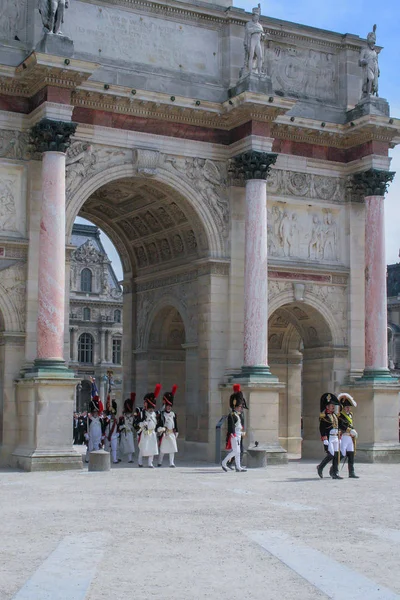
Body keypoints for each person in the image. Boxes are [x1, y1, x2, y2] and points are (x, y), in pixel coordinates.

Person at [222, 384, 247, 472]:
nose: (241, 408)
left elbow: (239, 424)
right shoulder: (232, 415)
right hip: (234, 434)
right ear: (236, 406)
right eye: (240, 406)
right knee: (235, 451)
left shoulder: (237, 414)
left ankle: (238, 467)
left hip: (239, 434)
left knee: (238, 452)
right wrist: (232, 434)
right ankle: (224, 463)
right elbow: (231, 425)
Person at [317, 393, 342, 479]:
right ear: (327, 406)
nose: (333, 407)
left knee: (336, 455)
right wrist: (324, 438)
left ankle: (334, 473)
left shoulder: (334, 415)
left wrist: (340, 436)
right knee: (331, 455)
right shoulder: (324, 417)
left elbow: (337, 426)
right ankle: (320, 467)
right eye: (331, 405)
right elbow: (322, 428)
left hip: (335, 437)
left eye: (333, 405)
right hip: (330, 438)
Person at [138, 384, 161, 468]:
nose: (151, 409)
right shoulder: (143, 413)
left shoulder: (155, 414)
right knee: (143, 448)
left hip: (152, 433)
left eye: (152, 408)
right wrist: (142, 424)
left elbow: (157, 423)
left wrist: (159, 429)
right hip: (145, 433)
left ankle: (150, 463)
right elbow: (138, 422)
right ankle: (140, 461)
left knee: (152, 449)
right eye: (150, 408)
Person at [338, 393, 359, 479]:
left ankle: (351, 472)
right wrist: (350, 430)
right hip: (344, 436)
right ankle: (334, 469)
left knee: (351, 454)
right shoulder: (340, 415)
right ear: (343, 407)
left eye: (349, 407)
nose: (348, 408)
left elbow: (350, 424)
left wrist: (353, 432)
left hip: (350, 437)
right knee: (342, 454)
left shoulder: (350, 414)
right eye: (347, 407)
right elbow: (342, 426)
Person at [157, 385, 179, 468]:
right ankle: (160, 461)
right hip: (164, 433)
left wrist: (176, 431)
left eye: (170, 406)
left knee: (172, 449)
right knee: (163, 449)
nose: (169, 407)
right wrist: (160, 429)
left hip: (171, 433)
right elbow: (159, 424)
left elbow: (175, 424)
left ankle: (171, 462)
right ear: (165, 406)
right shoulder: (162, 414)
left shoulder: (173, 414)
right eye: (167, 406)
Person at [119, 395, 136, 464]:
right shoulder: (122, 418)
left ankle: (130, 459)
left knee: (130, 446)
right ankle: (119, 457)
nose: (128, 414)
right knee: (122, 446)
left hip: (129, 433)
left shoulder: (132, 417)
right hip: (124, 432)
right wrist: (123, 426)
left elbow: (134, 425)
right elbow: (119, 426)